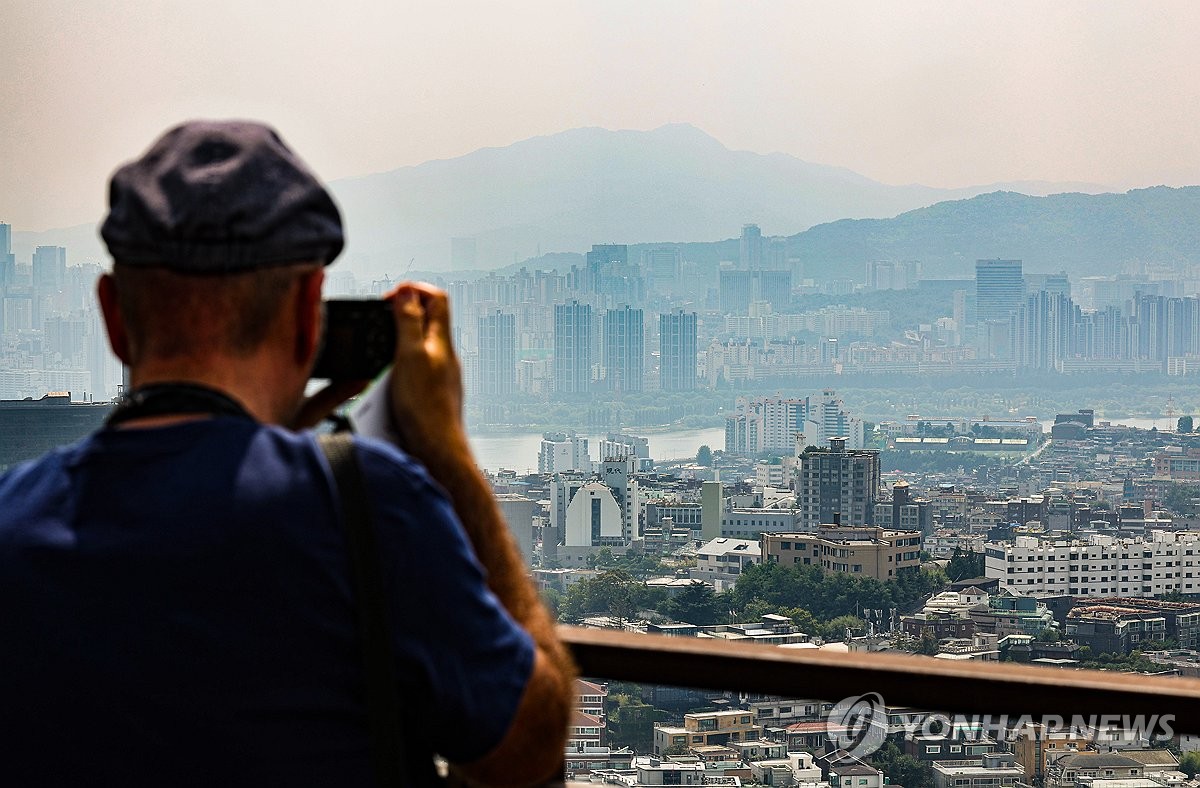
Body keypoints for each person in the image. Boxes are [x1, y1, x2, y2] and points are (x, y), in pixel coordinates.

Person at [0, 120, 575, 785]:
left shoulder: (14, 522)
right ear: (309, 311)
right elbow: (528, 744)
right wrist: (446, 451)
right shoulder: (363, 507)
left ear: (112, 316)